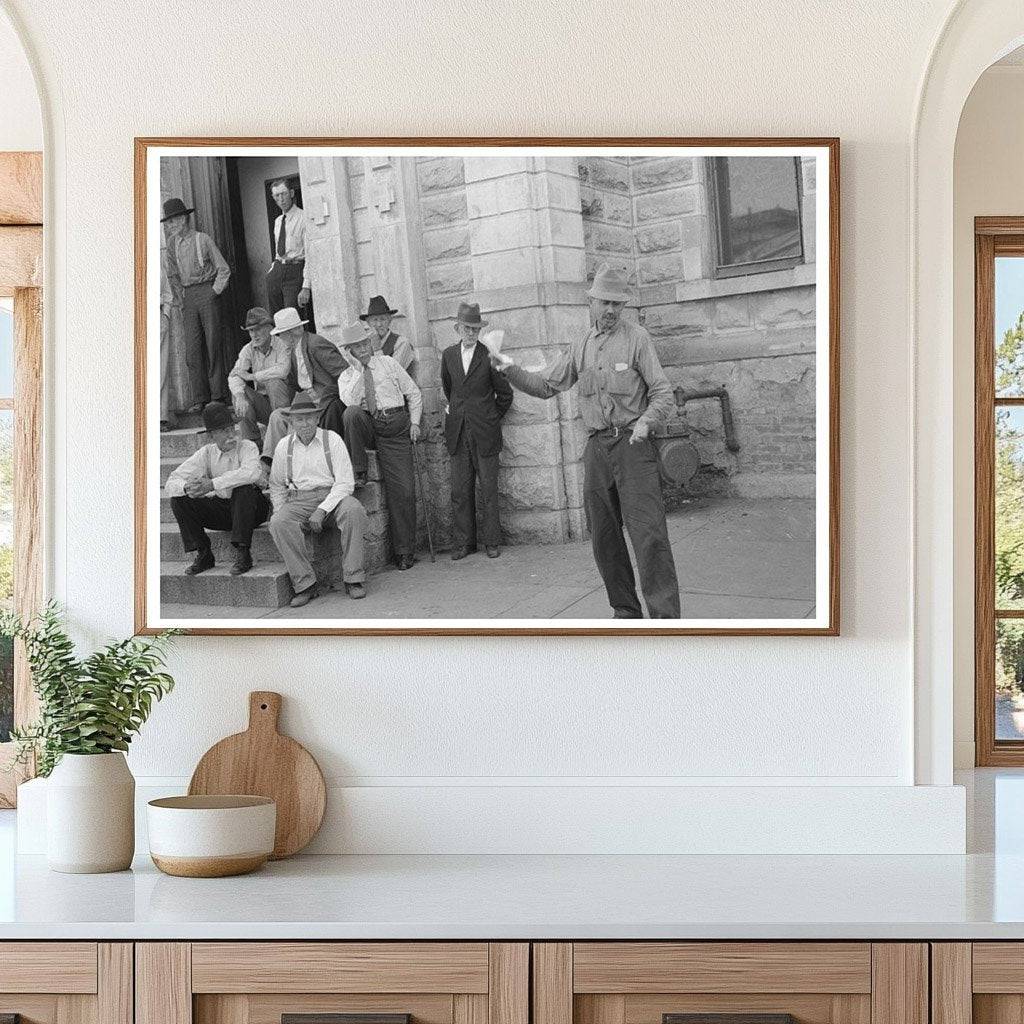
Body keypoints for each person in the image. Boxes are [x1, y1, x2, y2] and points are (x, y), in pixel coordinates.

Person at [490, 263, 681, 619]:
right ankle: (625, 611)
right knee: (604, 537)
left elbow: (663, 393)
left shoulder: (637, 338)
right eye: (604, 303)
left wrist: (646, 422)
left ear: (623, 307)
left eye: (617, 304)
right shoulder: (579, 345)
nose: (610, 311)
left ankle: (666, 620)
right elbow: (545, 385)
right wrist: (508, 368)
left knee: (649, 535)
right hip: (596, 449)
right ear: (590, 302)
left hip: (633, 447)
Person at [268, 392, 368, 607]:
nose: (304, 424)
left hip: (332, 497)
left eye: (308, 418)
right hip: (298, 500)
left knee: (354, 510)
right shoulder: (283, 446)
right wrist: (280, 510)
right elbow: (276, 485)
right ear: (292, 422)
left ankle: (354, 578)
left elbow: (345, 483)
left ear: (317, 419)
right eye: (299, 419)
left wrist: (322, 509)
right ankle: (305, 585)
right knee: (278, 522)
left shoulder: (332, 439)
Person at [336, 320, 422, 571]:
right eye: (355, 347)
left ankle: (404, 551)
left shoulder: (389, 363)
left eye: (364, 343)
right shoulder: (347, 376)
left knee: (404, 491)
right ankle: (359, 470)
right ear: (349, 351)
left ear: (370, 342)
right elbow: (349, 400)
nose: (362, 349)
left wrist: (415, 423)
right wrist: (359, 372)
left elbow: (413, 393)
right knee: (351, 413)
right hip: (370, 424)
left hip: (395, 427)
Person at [441, 302, 513, 559]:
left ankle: (492, 541)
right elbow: (449, 389)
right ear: (457, 328)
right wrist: (459, 414)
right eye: (466, 328)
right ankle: (464, 543)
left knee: (489, 489)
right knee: (460, 490)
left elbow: (505, 394)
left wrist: (491, 418)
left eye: (474, 329)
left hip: (485, 432)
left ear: (479, 330)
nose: (470, 333)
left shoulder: (489, 354)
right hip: (459, 431)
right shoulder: (448, 355)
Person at [165, 402, 269, 577]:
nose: (231, 434)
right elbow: (171, 482)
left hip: (253, 510)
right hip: (224, 510)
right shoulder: (206, 453)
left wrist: (212, 484)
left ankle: (243, 553)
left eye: (231, 428)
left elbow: (250, 473)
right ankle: (204, 554)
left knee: (243, 488)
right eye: (223, 431)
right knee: (179, 499)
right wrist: (187, 487)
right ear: (211, 436)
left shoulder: (247, 446)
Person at [161, 197, 231, 410]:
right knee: (192, 350)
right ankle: (199, 399)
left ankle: (217, 396)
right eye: (168, 223)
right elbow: (172, 274)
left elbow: (224, 269)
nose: (170, 226)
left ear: (183, 219)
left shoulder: (203, 239)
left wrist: (213, 292)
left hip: (206, 291)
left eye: (173, 221)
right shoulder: (172, 245)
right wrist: (180, 298)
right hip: (188, 297)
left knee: (212, 344)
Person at [260, 307, 347, 462]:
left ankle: (294, 464)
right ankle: (270, 462)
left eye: (281, 334)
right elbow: (293, 382)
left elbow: (344, 373)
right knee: (277, 416)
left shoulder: (315, 344)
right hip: (307, 401)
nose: (280, 338)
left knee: (296, 418)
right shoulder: (293, 350)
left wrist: (324, 394)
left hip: (326, 400)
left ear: (291, 333)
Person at [228, 307, 294, 447]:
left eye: (257, 329)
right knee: (239, 393)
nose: (254, 335)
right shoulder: (248, 349)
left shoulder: (282, 344)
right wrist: (239, 395)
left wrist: (252, 376)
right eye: (251, 330)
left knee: (274, 382)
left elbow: (282, 371)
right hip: (265, 406)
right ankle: (253, 445)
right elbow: (234, 375)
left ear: (269, 328)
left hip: (288, 405)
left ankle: (284, 438)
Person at [267, 179, 311, 315]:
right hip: (278, 271)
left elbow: (310, 255)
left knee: (292, 316)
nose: (281, 199)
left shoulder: (303, 217)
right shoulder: (278, 221)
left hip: (295, 271)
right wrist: (272, 270)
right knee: (278, 317)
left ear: (291, 193)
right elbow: (277, 251)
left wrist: (306, 286)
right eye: (276, 196)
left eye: (283, 194)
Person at [360, 294, 415, 373]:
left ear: (389, 320)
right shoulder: (366, 344)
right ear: (369, 323)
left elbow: (391, 375)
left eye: (383, 319)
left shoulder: (402, 343)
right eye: (375, 320)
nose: (379, 324)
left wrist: (377, 349)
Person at [159, 243, 180, 431]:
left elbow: (167, 295)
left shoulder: (157, 268)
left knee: (160, 367)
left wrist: (165, 315)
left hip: (157, 319)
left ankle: (161, 416)